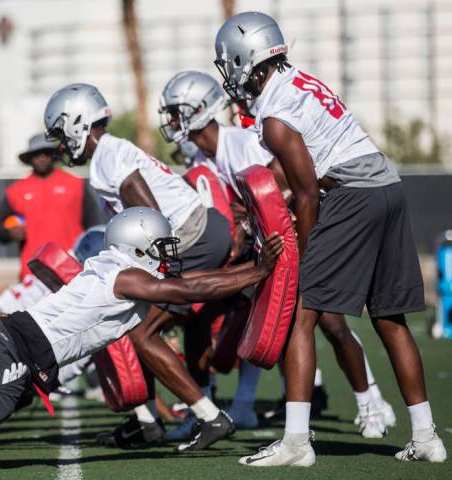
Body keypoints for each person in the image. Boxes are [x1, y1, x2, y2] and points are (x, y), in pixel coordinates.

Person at [0, 207, 285, 472]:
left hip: (4, 343)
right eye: (160, 248)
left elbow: (167, 313)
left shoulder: (117, 273)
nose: (166, 257)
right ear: (138, 246)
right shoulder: (127, 275)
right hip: (9, 349)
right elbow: (185, 289)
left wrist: (245, 273)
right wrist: (258, 270)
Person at [214, 11, 446, 465]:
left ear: (245, 59)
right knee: (389, 318)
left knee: (303, 311)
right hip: (388, 186)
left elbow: (305, 193)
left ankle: (297, 443)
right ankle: (427, 437)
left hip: (353, 195)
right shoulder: (299, 79)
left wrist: (301, 250)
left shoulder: (275, 117)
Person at [159, 69, 396, 435]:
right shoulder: (204, 161)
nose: (171, 120)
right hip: (264, 243)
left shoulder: (243, 143)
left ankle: (371, 402)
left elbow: (295, 181)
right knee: (230, 317)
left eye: (176, 111)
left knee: (330, 322)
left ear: (198, 109)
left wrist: (289, 234)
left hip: (294, 230)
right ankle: (227, 406)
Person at [45, 84, 234, 450]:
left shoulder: (106, 160)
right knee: (130, 322)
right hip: (194, 231)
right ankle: (147, 421)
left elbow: (150, 218)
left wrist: (154, 273)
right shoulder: (110, 153)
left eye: (59, 134)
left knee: (139, 332)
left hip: (189, 235)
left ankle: (209, 417)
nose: (59, 144)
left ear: (76, 124)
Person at [0, 133, 100, 278]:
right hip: (33, 272)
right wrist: (9, 232)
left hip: (73, 269)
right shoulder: (16, 191)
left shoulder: (75, 185)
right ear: (30, 158)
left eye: (46, 153)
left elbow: (93, 226)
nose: (42, 157)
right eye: (37, 154)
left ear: (53, 156)